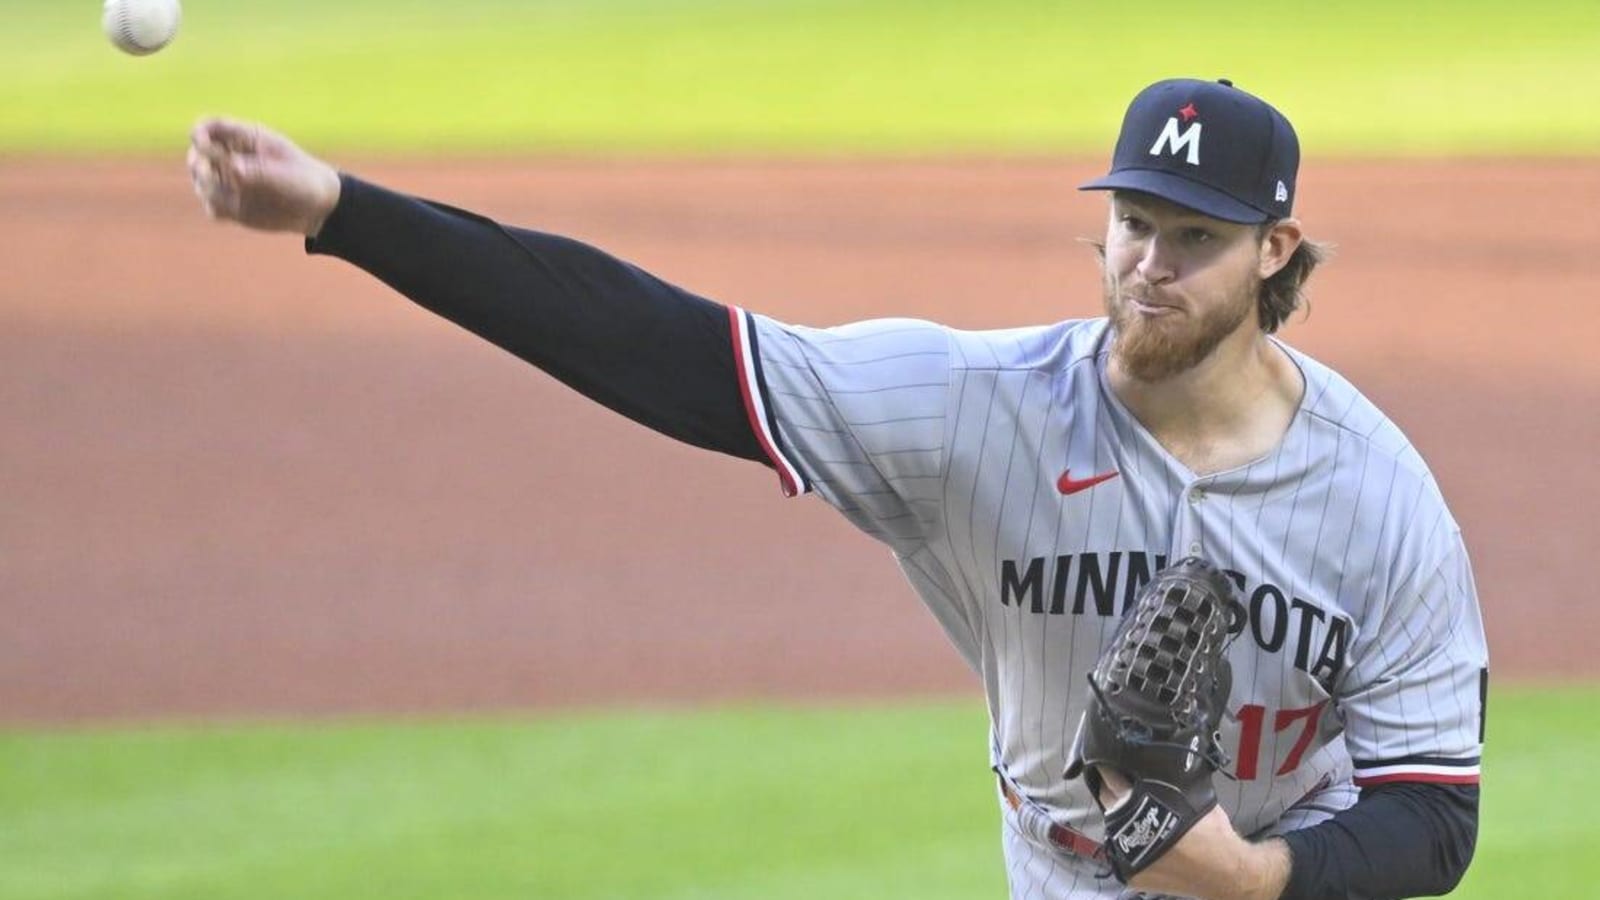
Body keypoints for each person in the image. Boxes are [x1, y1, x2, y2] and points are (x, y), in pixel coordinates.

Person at [186, 77, 1487, 899]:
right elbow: (662, 348)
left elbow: (1432, 815)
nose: (1148, 264)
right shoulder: (981, 413)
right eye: (1132, 223)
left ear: (1275, 252)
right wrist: (342, 211)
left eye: (1194, 239)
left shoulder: (1378, 499)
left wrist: (1248, 876)